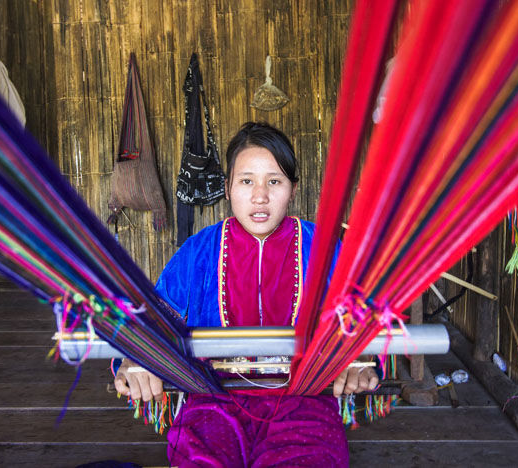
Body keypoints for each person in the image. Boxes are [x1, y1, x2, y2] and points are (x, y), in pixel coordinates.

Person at [113, 122, 378, 467]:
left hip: (304, 400)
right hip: (213, 401)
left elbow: (363, 317)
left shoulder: (325, 250)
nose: (260, 196)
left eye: (274, 181)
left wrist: (358, 358)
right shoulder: (199, 252)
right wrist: (137, 359)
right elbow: (152, 321)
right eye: (246, 181)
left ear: (293, 189)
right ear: (227, 188)